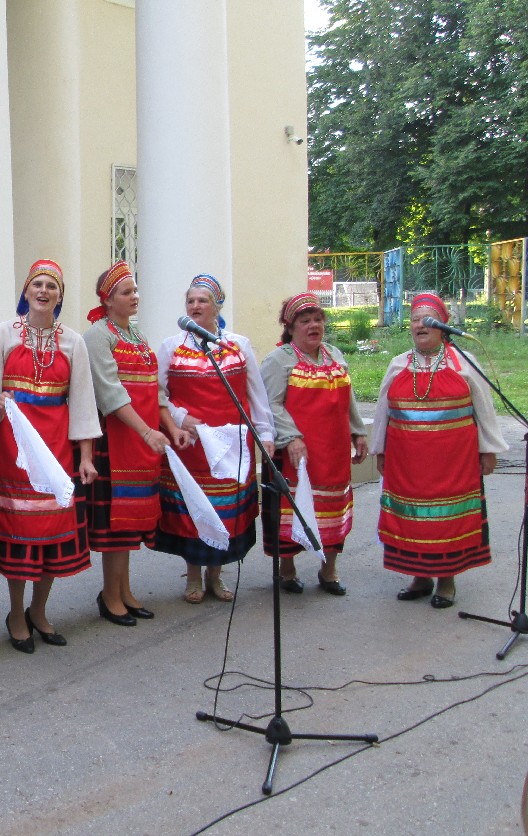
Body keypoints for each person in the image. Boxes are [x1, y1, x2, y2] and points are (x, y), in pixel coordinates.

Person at [0, 259, 100, 653]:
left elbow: (82, 402)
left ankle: (39, 610)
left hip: (56, 448)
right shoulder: (3, 334)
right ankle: (15, 613)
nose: (43, 291)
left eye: (51, 287)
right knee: (19, 532)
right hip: (12, 447)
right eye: (37, 285)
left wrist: (86, 457)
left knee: (50, 532)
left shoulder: (73, 342)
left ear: (60, 296)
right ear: (26, 292)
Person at [370, 292, 508, 608]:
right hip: (407, 463)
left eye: (426, 319)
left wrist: (488, 449)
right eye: (414, 319)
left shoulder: (464, 363)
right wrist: (381, 449)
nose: (419, 325)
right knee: (412, 519)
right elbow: (382, 412)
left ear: (442, 325)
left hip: (453, 463)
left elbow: (484, 410)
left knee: (447, 518)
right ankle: (419, 577)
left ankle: (446, 581)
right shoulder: (398, 364)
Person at [155, 274, 275, 603]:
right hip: (192, 444)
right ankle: (193, 574)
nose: (195, 306)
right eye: (190, 301)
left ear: (217, 306)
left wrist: (265, 433)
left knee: (226, 511)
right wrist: (180, 418)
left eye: (202, 300)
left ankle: (215, 575)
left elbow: (255, 394)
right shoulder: (171, 346)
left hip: (233, 444)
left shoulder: (238, 345)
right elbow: (158, 394)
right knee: (197, 507)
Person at [82, 262, 189, 626]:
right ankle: (110, 596)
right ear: (108, 299)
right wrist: (146, 431)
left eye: (135, 291)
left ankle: (124, 591)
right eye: (127, 292)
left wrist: (169, 427)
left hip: (143, 440)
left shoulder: (137, 335)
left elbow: (156, 389)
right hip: (116, 441)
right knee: (117, 524)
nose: (135, 297)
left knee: (131, 522)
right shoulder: (98, 335)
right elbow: (109, 392)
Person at [259, 292, 369, 595]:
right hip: (297, 455)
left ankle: (329, 569)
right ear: (290, 326)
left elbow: (349, 397)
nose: (313, 325)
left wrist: (358, 431)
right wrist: (291, 437)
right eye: (305, 321)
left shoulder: (334, 354)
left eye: (318, 319)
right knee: (292, 508)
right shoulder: (279, 359)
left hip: (332, 451)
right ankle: (288, 569)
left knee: (333, 508)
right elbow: (270, 404)